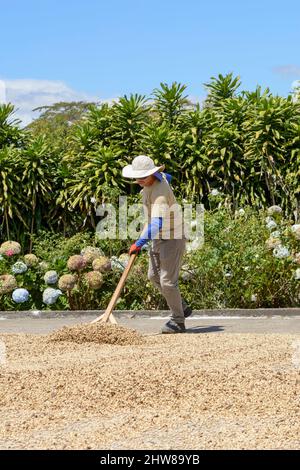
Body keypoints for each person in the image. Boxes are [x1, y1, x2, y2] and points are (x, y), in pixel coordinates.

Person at [122, 155, 192, 334]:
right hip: (158, 237)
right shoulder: (150, 184)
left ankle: (178, 321)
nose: (139, 180)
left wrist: (139, 243)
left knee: (167, 281)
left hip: (172, 236)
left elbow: (157, 223)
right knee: (153, 276)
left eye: (143, 176)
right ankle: (181, 306)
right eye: (137, 177)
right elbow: (168, 177)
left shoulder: (159, 192)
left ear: (153, 174)